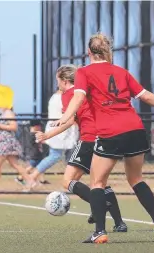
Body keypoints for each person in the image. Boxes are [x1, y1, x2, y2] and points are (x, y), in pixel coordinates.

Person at [57, 32, 154, 244]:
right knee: (136, 179)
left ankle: (100, 232)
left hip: (110, 132)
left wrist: (66, 116)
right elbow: (146, 96)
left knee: (97, 182)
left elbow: (78, 96)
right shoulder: (121, 71)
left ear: (88, 51)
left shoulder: (84, 72)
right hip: (135, 129)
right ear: (107, 50)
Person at [35, 64, 127, 232]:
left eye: (58, 81)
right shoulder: (87, 91)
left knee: (67, 181)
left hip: (88, 139)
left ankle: (98, 204)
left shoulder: (68, 95)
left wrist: (47, 135)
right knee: (100, 183)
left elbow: (69, 120)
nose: (58, 85)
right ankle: (119, 223)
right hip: (105, 138)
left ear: (64, 81)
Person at [24, 90, 79, 190]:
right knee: (56, 155)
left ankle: (33, 177)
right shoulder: (63, 97)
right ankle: (32, 177)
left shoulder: (55, 97)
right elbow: (68, 114)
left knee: (62, 156)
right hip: (62, 131)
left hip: (60, 131)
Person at [0, 107, 31, 191]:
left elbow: (14, 126)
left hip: (6, 142)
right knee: (15, 164)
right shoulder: (3, 113)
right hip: (3, 142)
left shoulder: (9, 113)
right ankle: (31, 181)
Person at [14, 119, 45, 186]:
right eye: (39, 126)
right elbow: (39, 141)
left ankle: (40, 180)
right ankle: (19, 178)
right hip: (34, 154)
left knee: (39, 167)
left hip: (37, 153)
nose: (40, 128)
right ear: (35, 126)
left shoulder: (33, 133)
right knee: (31, 167)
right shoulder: (33, 134)